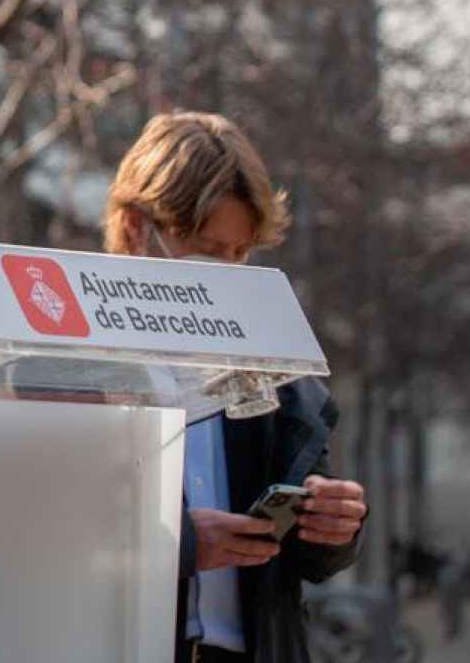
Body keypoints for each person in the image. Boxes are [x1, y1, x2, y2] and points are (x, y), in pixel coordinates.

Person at [104, 111, 368, 663]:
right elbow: (47, 529)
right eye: (205, 247)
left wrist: (333, 524)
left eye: (239, 253)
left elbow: (305, 557)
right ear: (134, 227)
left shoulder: (272, 364)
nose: (223, 270)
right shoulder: (69, 362)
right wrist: (177, 545)